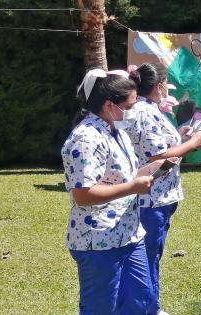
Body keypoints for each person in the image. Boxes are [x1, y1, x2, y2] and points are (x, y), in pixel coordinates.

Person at [62, 69, 160, 314]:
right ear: (109, 105)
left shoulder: (117, 132)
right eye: (129, 105)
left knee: (140, 301)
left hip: (129, 234)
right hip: (99, 241)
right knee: (101, 308)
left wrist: (153, 169)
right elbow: (83, 195)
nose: (134, 111)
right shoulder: (86, 138)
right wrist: (133, 187)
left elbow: (120, 177)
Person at [126, 63, 201, 315]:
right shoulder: (144, 112)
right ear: (159, 86)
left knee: (150, 256)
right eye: (165, 84)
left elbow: (159, 145)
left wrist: (181, 136)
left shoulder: (144, 109)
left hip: (156, 196)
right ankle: (150, 310)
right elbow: (157, 156)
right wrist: (192, 143)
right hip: (152, 199)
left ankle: (149, 307)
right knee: (147, 258)